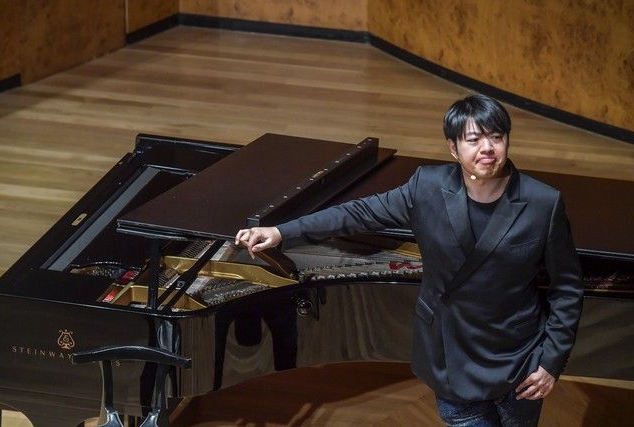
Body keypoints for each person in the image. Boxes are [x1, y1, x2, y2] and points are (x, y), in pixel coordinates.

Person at [235, 94, 584, 426]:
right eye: (474, 139)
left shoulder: (543, 203)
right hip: (450, 354)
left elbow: (567, 287)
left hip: (519, 362)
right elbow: (357, 213)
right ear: (453, 148)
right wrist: (282, 232)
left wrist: (551, 361)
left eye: (496, 137)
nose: (487, 149)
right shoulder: (426, 187)